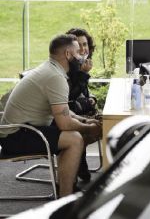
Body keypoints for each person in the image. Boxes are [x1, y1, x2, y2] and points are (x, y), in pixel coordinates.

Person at [0, 34, 101, 198]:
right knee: (74, 138)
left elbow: (63, 111)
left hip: (23, 129)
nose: (83, 56)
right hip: (15, 136)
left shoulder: (51, 69)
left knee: (78, 133)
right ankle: (65, 199)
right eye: (78, 52)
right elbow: (65, 124)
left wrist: (85, 121)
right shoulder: (55, 77)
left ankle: (66, 186)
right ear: (68, 54)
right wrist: (90, 127)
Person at [66, 28, 98, 182]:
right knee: (97, 125)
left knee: (101, 121)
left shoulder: (80, 64)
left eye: (85, 44)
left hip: (75, 111)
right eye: (78, 45)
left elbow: (82, 92)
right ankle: (77, 165)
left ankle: (80, 164)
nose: (83, 49)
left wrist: (91, 98)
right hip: (63, 114)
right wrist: (83, 75)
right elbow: (68, 97)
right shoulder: (67, 67)